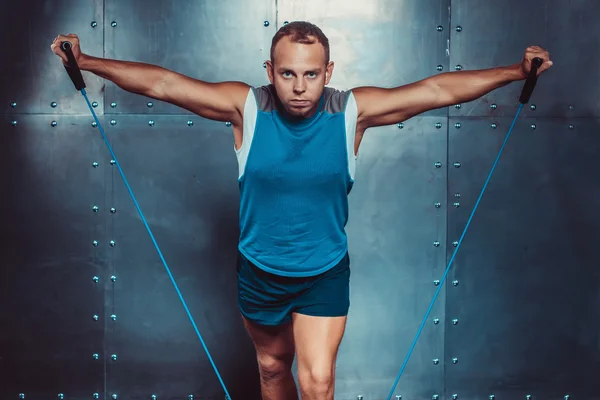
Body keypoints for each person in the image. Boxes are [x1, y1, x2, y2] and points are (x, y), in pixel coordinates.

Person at [51, 20, 552, 400]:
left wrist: (515, 72)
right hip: (260, 270)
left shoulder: (350, 112)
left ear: (328, 72)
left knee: (317, 381)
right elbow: (163, 84)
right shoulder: (246, 107)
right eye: (287, 73)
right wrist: (88, 62)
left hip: (323, 272)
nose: (298, 86)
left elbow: (436, 91)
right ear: (270, 71)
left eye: (311, 74)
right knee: (272, 368)